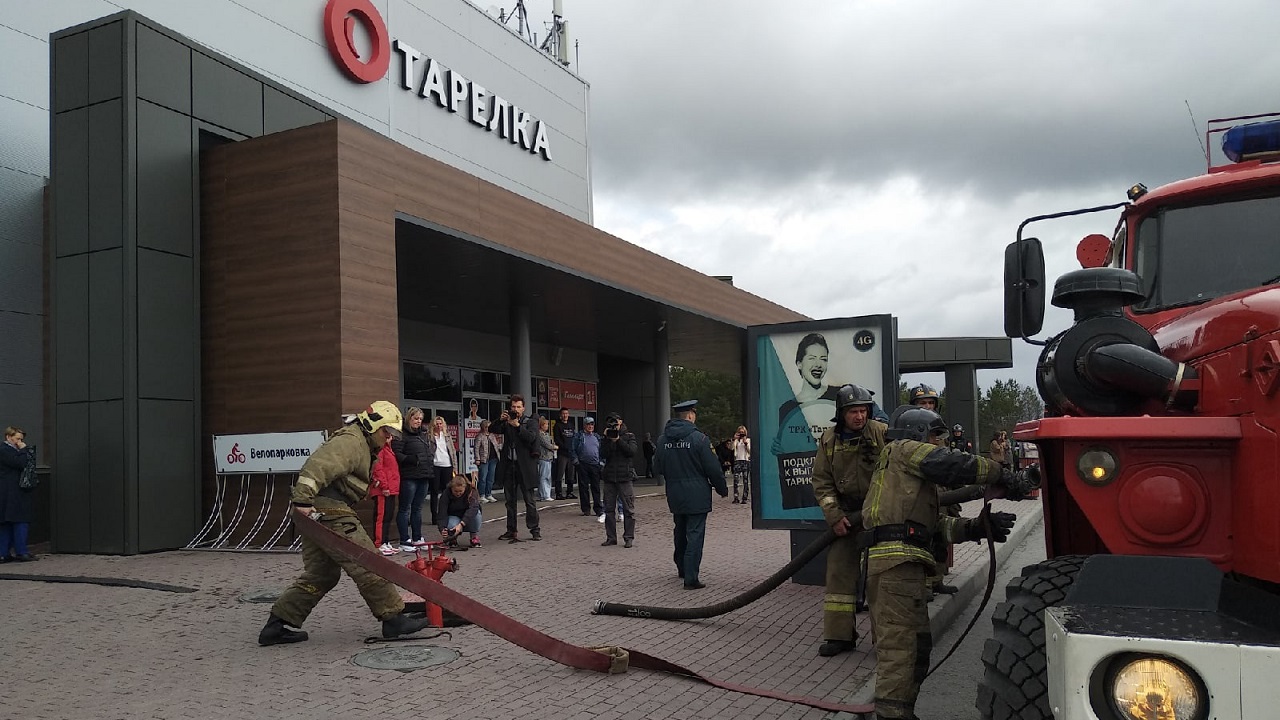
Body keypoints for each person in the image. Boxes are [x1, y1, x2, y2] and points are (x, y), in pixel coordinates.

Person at [860, 404, 1034, 720]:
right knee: (901, 649)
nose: (939, 443)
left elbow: (932, 527)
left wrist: (976, 528)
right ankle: (891, 714)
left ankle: (900, 711)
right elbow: (953, 464)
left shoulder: (906, 477)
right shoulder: (904, 450)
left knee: (916, 648)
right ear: (917, 434)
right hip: (895, 567)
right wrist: (1002, 473)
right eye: (935, 437)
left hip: (902, 566)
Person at [258, 401, 432, 646]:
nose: (389, 438)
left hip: (319, 509)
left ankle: (276, 625)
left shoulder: (362, 442)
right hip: (330, 509)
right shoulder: (351, 441)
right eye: (387, 432)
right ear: (373, 425)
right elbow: (318, 466)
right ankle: (393, 618)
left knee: (322, 575)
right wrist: (302, 500)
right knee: (368, 561)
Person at [810, 384, 886, 657]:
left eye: (863, 410)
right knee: (839, 576)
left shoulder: (881, 433)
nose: (859, 416)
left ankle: (885, 639)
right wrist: (835, 516)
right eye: (853, 411)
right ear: (841, 413)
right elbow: (821, 481)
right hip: (846, 518)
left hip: (879, 516)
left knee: (880, 578)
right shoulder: (829, 440)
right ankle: (839, 636)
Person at [654, 400, 728, 589]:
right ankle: (691, 577)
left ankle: (681, 568)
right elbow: (713, 468)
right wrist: (722, 489)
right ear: (690, 415)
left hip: (675, 493)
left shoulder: (662, 440)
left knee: (679, 530)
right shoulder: (700, 439)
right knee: (695, 534)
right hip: (697, 494)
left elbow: (657, 468)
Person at [908, 385, 960, 597]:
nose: (928, 407)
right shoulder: (908, 431)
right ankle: (925, 584)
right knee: (923, 538)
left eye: (931, 403)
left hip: (943, 493)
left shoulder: (940, 431)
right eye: (923, 403)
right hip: (920, 493)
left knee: (941, 537)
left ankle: (937, 580)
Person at [493, 395, 541, 542]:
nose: (515, 409)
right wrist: (500, 420)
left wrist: (518, 426)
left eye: (518, 407)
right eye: (513, 407)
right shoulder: (507, 422)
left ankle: (535, 530)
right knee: (510, 501)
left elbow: (531, 438)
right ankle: (511, 530)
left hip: (525, 467)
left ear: (523, 408)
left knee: (529, 500)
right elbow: (492, 429)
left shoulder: (530, 422)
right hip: (509, 466)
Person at [392, 407, 433, 552]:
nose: (418, 421)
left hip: (423, 475)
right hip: (409, 476)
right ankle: (404, 539)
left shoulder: (423, 434)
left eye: (420, 419)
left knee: (417, 508)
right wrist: (410, 459)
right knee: (405, 508)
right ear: (409, 418)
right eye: (416, 418)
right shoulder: (401, 435)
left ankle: (417, 537)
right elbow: (396, 453)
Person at [599, 412, 639, 548]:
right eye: (610, 422)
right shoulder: (606, 437)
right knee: (609, 509)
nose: (613, 424)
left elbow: (631, 451)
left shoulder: (629, 436)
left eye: (615, 421)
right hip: (610, 477)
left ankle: (628, 537)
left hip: (625, 477)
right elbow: (603, 454)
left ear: (621, 422)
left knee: (629, 509)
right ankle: (611, 537)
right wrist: (607, 439)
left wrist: (618, 440)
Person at [0, 426, 37, 563]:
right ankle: (20, 552)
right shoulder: (4, 450)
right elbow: (20, 463)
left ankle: (4, 553)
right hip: (12, 491)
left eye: (21, 439)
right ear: (8, 437)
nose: (20, 442)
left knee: (7, 522)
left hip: (9, 492)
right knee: (19, 520)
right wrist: (23, 450)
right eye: (17, 439)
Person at [369, 442, 401, 555]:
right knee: (381, 517)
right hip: (382, 490)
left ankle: (385, 541)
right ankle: (379, 543)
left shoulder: (389, 449)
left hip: (391, 488)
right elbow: (378, 469)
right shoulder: (380, 449)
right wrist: (384, 486)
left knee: (388, 516)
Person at [427, 415, 459, 524]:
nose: (439, 426)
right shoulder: (429, 436)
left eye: (441, 423)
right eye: (437, 424)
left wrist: (455, 467)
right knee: (434, 491)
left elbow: (453, 452)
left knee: (447, 491)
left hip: (447, 465)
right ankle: (434, 516)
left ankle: (448, 513)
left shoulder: (447, 436)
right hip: (435, 465)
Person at [436, 474, 482, 549]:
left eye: (460, 491)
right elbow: (442, 512)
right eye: (455, 491)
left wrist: (461, 524)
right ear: (451, 488)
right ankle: (452, 538)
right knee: (450, 524)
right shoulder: (446, 493)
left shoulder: (471, 491)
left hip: (468, 516)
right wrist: (442, 529)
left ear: (465, 488)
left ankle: (474, 536)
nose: (458, 493)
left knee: (476, 514)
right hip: (454, 516)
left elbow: (473, 508)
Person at [572, 417, 605, 519]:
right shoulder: (579, 436)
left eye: (592, 424)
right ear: (584, 425)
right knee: (583, 487)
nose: (590, 426)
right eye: (588, 424)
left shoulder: (597, 437)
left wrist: (601, 462)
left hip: (595, 464)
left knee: (596, 487)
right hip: (583, 464)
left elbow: (601, 450)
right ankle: (586, 509)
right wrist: (576, 461)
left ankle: (598, 508)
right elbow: (572, 449)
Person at [553, 408, 578, 499]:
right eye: (563, 413)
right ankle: (558, 493)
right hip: (562, 453)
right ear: (560, 415)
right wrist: (565, 447)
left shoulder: (571, 425)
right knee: (560, 473)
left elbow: (574, 437)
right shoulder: (557, 426)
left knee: (571, 474)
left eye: (566, 413)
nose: (565, 415)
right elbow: (557, 439)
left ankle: (569, 492)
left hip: (571, 453)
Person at [474, 419, 501, 503]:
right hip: (484, 459)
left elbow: (496, 445)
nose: (488, 428)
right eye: (487, 427)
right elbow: (476, 448)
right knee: (483, 478)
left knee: (491, 478)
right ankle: (481, 495)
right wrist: (477, 459)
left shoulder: (492, 435)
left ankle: (488, 494)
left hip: (493, 459)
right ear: (483, 427)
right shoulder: (479, 436)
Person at [536, 416, 556, 501]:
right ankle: (544, 495)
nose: (547, 426)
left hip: (549, 457)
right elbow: (547, 445)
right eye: (546, 424)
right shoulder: (540, 434)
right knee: (544, 477)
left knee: (547, 476)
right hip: (543, 457)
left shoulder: (546, 434)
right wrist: (554, 447)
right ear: (541, 425)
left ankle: (546, 494)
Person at [730, 425, 751, 504]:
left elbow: (750, 451)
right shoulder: (736, 441)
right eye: (740, 432)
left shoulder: (748, 440)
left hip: (745, 461)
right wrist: (734, 439)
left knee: (745, 480)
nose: (741, 434)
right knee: (736, 480)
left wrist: (745, 443)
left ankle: (744, 498)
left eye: (743, 432)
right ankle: (736, 497)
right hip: (737, 461)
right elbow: (731, 448)